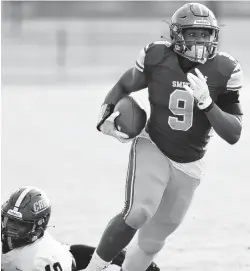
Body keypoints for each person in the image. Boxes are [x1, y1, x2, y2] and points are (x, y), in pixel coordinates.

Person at [85, 2, 243, 271]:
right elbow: (125, 84)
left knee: (152, 241)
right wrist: (105, 116)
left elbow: (233, 133)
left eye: (205, 34)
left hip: (191, 162)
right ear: (176, 35)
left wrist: (207, 104)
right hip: (154, 145)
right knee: (138, 212)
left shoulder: (225, 69)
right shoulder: (157, 56)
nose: (199, 41)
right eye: (192, 33)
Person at [1, 186, 160, 271]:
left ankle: (133, 261)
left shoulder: (38, 260)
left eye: (20, 225)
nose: (10, 229)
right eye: (8, 220)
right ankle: (124, 257)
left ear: (39, 226)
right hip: (68, 253)